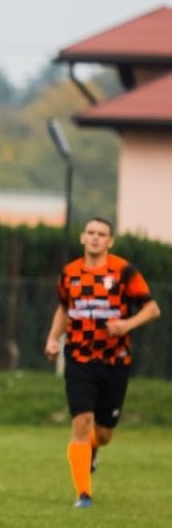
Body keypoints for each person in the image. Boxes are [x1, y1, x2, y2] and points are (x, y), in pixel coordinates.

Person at [43, 216, 160, 508]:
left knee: (104, 433)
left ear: (110, 241)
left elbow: (152, 309)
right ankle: (84, 495)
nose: (95, 238)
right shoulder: (70, 273)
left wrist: (126, 325)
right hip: (79, 358)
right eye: (91, 232)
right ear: (82, 237)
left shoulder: (123, 272)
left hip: (115, 361)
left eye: (102, 234)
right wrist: (53, 338)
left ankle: (93, 448)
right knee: (82, 422)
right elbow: (64, 309)